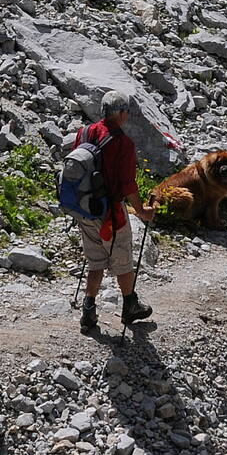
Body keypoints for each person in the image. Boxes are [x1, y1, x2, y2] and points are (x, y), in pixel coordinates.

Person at [75, 93, 155, 331]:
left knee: (95, 260)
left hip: (84, 208)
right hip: (110, 212)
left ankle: (88, 310)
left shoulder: (85, 132)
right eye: (127, 111)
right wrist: (142, 211)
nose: (127, 116)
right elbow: (128, 184)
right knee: (122, 259)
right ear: (121, 113)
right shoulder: (123, 143)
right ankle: (130, 306)